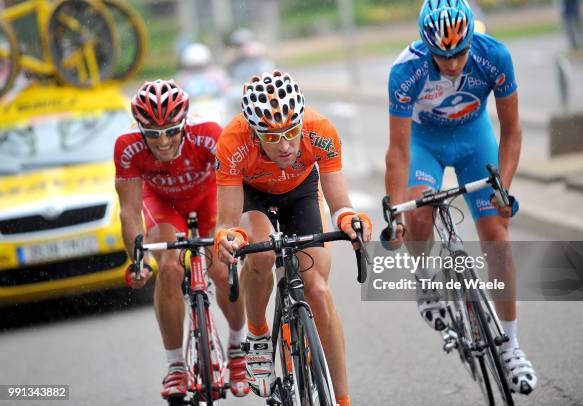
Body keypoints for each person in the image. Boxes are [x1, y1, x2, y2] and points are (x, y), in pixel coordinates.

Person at [385, 0, 537, 395]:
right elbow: (398, 152)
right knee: (419, 217)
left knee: (497, 238)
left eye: (459, 52)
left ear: (473, 39)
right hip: (425, 144)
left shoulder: (494, 56)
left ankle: (512, 343)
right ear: (426, 46)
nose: (452, 64)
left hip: (474, 140)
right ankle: (425, 279)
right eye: (442, 55)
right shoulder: (406, 70)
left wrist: (503, 186)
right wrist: (395, 211)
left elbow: (513, 131)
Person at [213, 70, 372, 405]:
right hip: (253, 195)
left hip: (301, 192)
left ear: (301, 121)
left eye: (291, 131)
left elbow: (341, 205)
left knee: (317, 289)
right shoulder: (232, 141)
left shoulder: (321, 130)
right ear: (255, 134)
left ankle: (341, 399)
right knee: (262, 256)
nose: (285, 146)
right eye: (271, 138)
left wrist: (352, 222)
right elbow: (227, 222)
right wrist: (227, 239)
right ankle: (257, 334)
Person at [114, 79, 250, 401]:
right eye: (153, 134)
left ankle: (237, 348)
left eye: (171, 131)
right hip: (164, 206)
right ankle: (175, 366)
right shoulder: (127, 146)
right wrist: (137, 260)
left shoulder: (208, 135)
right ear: (140, 129)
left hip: (207, 201)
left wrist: (232, 232)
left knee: (220, 269)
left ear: (184, 123)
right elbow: (129, 211)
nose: (162, 141)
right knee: (171, 268)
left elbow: (232, 187)